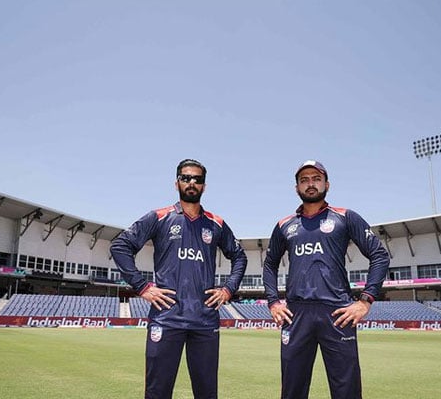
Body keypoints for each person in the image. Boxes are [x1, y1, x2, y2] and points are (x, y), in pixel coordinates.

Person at [110, 158, 247, 399]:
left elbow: (239, 256)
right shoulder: (159, 217)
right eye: (186, 178)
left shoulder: (216, 224)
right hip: (166, 319)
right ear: (177, 184)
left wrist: (228, 289)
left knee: (206, 393)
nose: (191, 182)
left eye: (197, 179)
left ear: (204, 186)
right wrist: (142, 287)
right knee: (157, 392)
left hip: (204, 321)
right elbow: (120, 246)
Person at [262, 160, 390, 399]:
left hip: (337, 312)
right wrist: (273, 301)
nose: (310, 184)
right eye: (304, 180)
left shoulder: (345, 217)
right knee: (292, 390)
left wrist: (365, 301)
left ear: (326, 184)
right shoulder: (284, 225)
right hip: (296, 314)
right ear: (297, 188)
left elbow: (379, 255)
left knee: (346, 389)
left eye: (316, 179)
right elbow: (269, 264)